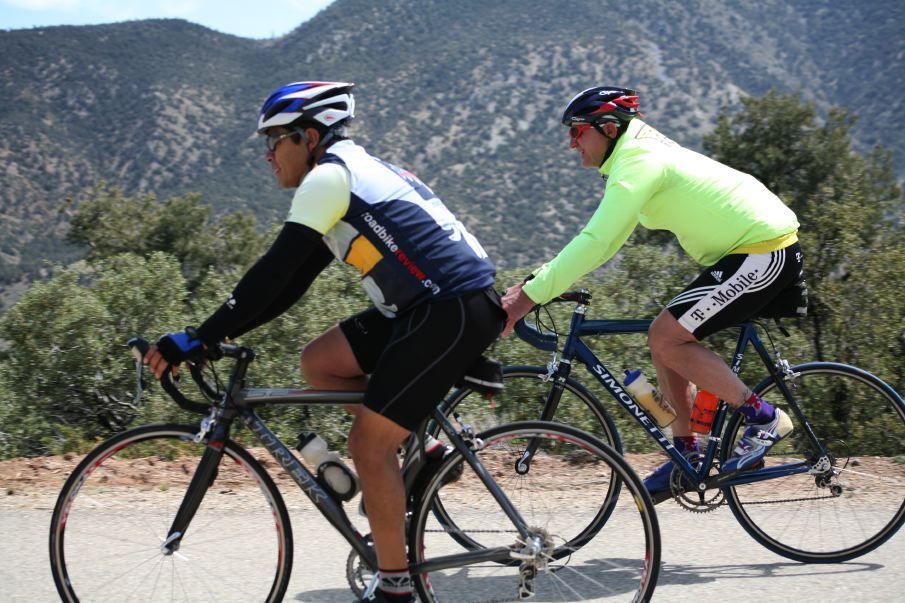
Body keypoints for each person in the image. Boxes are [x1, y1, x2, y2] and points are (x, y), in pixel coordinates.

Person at [144, 81, 505, 603]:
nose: (268, 155)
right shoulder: (343, 175)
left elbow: (272, 273)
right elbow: (291, 283)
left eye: (275, 141)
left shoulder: (330, 178)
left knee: (366, 444)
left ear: (309, 137)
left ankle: (397, 588)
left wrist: (199, 336)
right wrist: (212, 336)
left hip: (446, 310)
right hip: (430, 307)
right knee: (320, 362)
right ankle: (421, 448)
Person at [501, 86, 807, 499]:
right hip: (747, 249)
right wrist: (536, 283)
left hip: (763, 250)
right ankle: (687, 454)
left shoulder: (639, 159)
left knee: (667, 336)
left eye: (577, 131)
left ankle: (764, 418)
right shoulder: (634, 151)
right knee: (663, 340)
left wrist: (527, 297)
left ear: (608, 128)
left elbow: (597, 242)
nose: (571, 142)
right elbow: (605, 243)